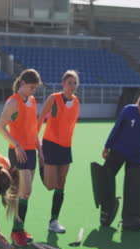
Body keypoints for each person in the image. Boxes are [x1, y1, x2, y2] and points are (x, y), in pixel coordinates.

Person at [101, 92, 140, 230]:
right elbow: (117, 128)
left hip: (137, 155)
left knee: (134, 188)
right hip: (118, 150)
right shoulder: (128, 110)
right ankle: (108, 208)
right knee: (106, 177)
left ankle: (130, 218)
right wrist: (107, 145)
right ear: (137, 104)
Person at [0, 69, 43, 247]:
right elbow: (1, 128)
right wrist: (16, 145)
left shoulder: (32, 101)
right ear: (23, 83)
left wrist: (40, 150)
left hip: (31, 151)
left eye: (35, 88)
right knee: (26, 191)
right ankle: (17, 231)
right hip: (18, 152)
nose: (34, 91)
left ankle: (19, 228)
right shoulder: (12, 102)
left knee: (24, 193)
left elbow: (33, 129)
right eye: (32, 87)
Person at [37, 70, 80, 233]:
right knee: (50, 185)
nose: (73, 86)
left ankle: (53, 221)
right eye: (70, 83)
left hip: (66, 147)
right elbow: (41, 119)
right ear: (63, 84)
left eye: (75, 83)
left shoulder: (76, 101)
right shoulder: (53, 98)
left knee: (61, 184)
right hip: (50, 145)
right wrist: (36, 142)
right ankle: (41, 163)